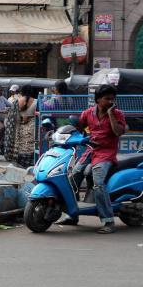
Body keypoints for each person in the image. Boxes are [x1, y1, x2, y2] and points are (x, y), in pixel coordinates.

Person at [57, 84, 126, 234]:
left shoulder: (118, 114)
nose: (110, 102)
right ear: (98, 99)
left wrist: (111, 114)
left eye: (112, 99)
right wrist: (57, 133)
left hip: (106, 153)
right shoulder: (88, 113)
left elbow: (118, 132)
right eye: (107, 99)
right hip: (90, 150)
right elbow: (77, 127)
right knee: (72, 177)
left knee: (98, 183)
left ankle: (109, 221)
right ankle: (72, 214)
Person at [14, 84, 37, 164]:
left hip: (21, 127)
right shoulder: (36, 101)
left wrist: (22, 120)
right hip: (33, 126)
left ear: (22, 92)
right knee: (32, 144)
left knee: (22, 145)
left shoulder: (17, 101)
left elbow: (14, 117)